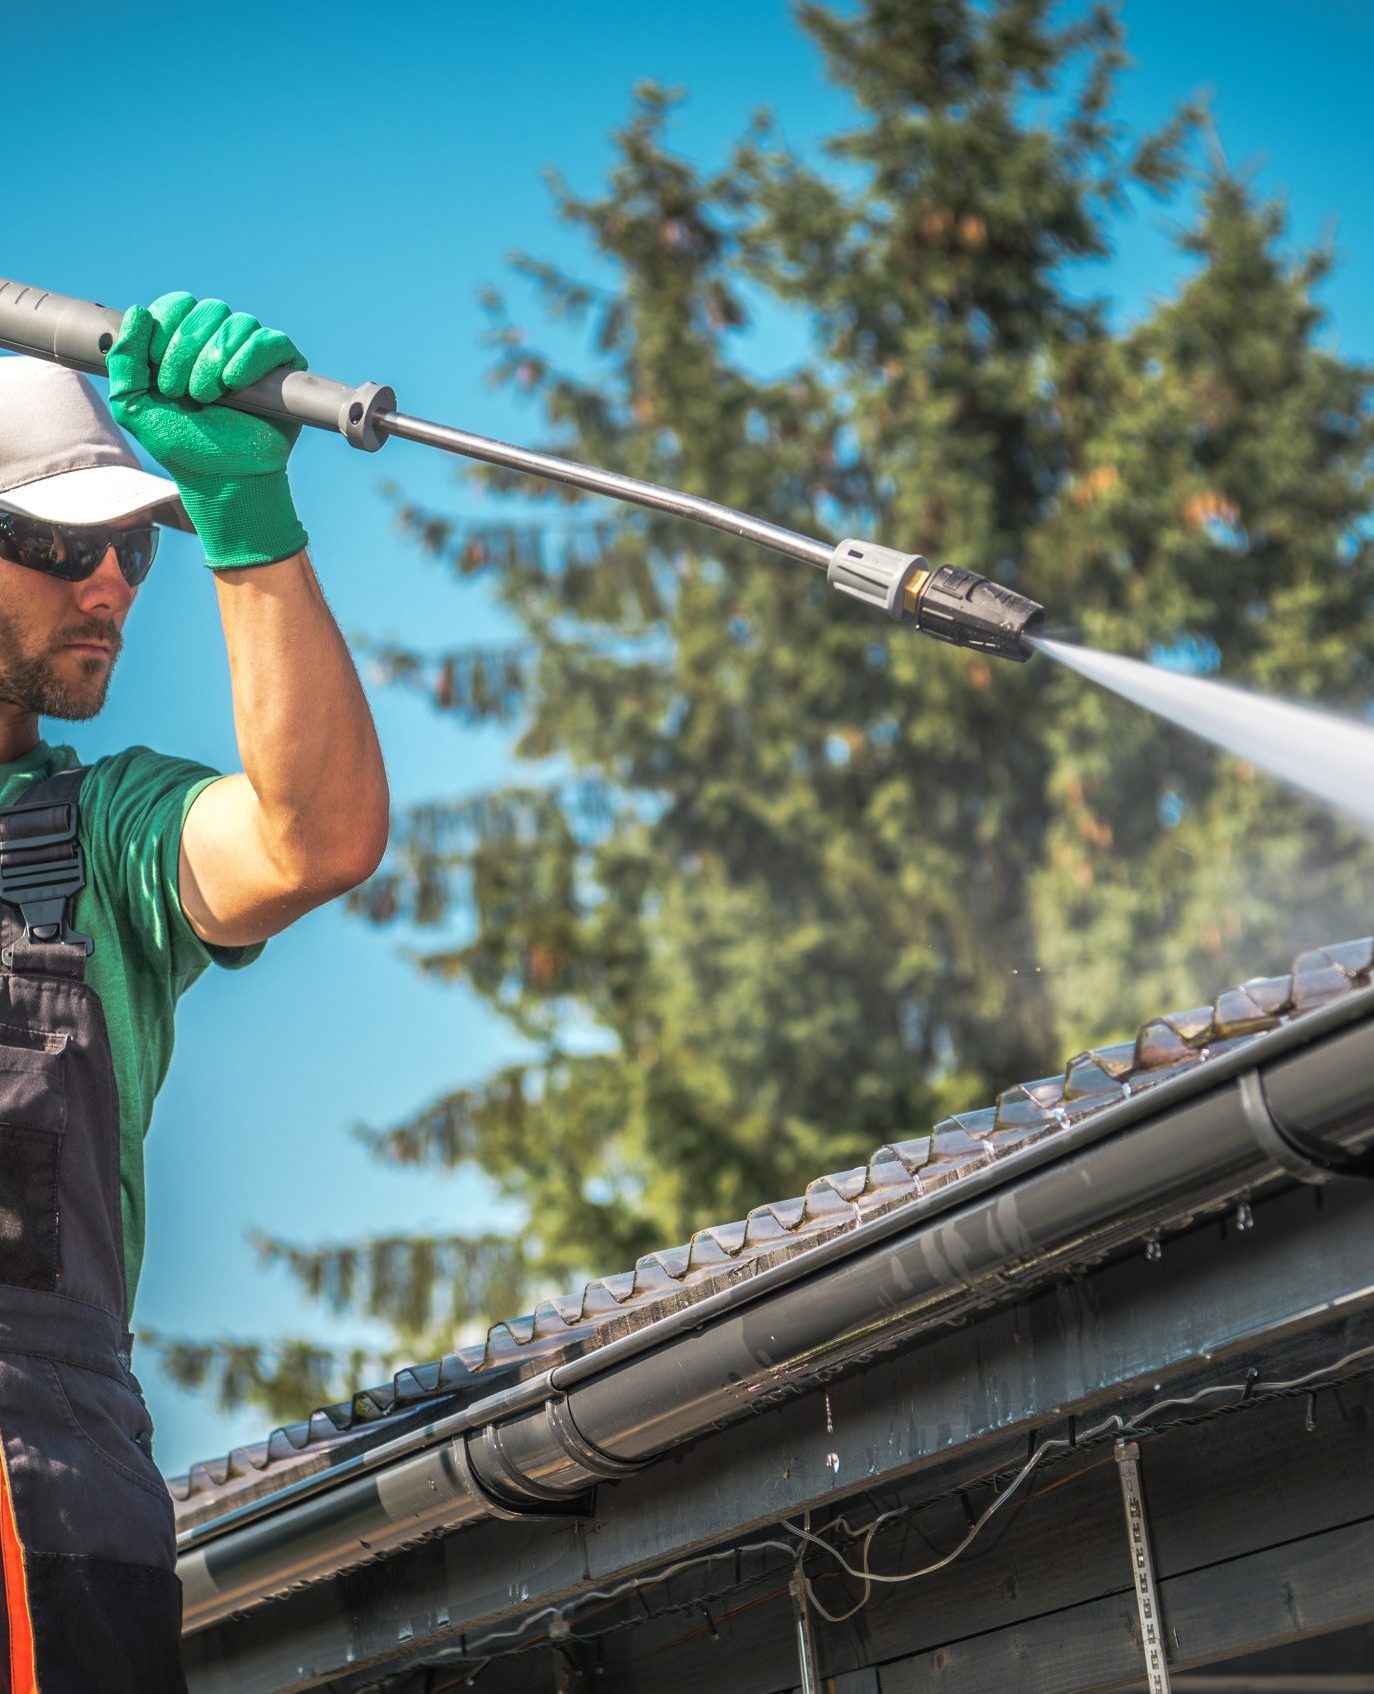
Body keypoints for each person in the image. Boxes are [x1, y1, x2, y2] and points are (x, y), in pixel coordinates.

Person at [0, 293, 389, 1690]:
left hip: (34, 1503)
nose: (107, 581)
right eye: (58, 543)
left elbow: (311, 836)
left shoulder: (100, 835)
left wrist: (245, 523)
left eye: (129, 548)